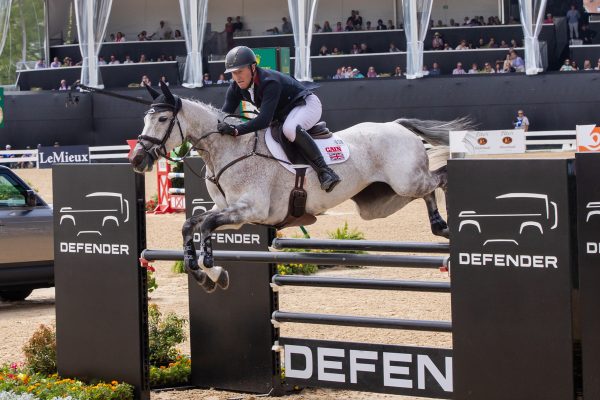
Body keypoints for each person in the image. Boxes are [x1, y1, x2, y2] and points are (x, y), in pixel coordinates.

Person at [218, 46, 340, 192]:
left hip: (307, 104)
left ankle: (325, 171)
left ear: (252, 67)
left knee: (289, 129)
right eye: (233, 73)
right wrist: (219, 126)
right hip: (285, 112)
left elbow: (264, 120)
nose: (237, 77)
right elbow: (224, 114)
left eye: (240, 71)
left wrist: (236, 130)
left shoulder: (269, 82)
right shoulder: (235, 87)